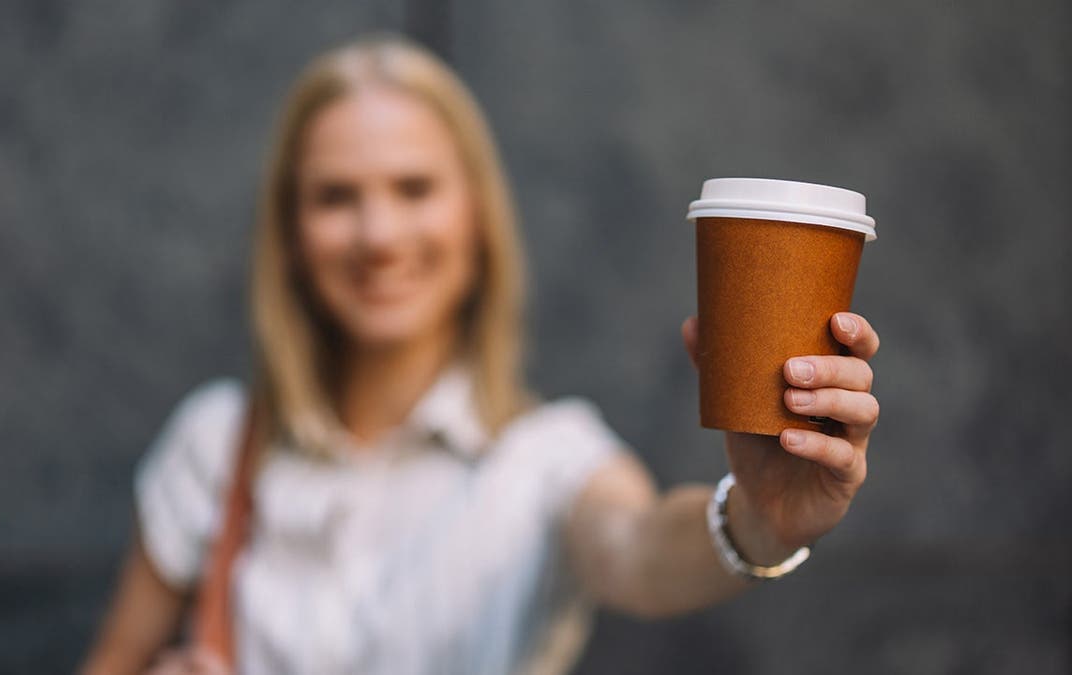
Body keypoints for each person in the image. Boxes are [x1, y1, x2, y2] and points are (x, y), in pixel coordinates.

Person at [80, 34, 881, 675]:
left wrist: (760, 519)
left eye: (414, 189)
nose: (378, 235)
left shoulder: (545, 461)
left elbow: (639, 549)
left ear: (476, 220)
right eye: (335, 196)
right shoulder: (216, 443)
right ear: (290, 234)